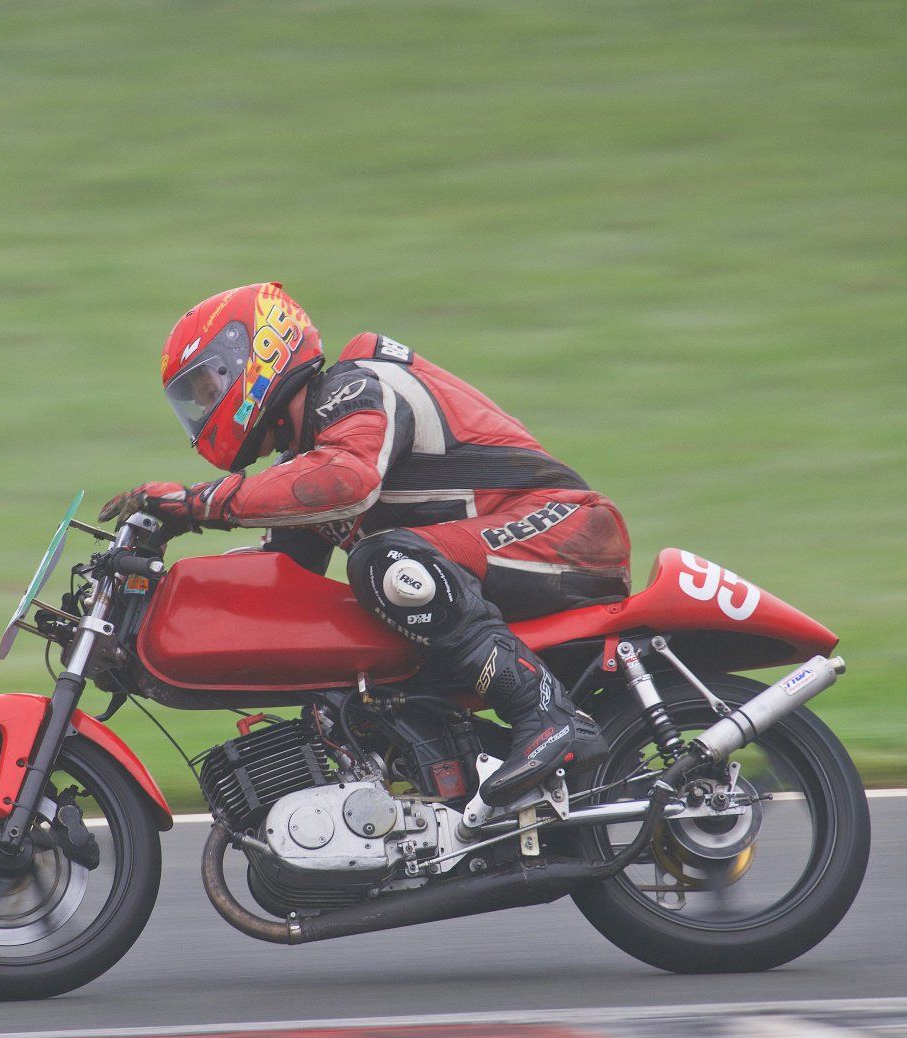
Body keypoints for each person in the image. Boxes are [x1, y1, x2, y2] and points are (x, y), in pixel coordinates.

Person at [101, 282, 629, 806]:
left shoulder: (356, 387)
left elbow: (347, 481)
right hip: (500, 553)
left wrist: (197, 502)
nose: (203, 408)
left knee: (385, 562)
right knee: (351, 664)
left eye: (206, 389)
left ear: (257, 353)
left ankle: (548, 716)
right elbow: (279, 579)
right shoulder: (305, 460)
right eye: (193, 402)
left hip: (562, 528)